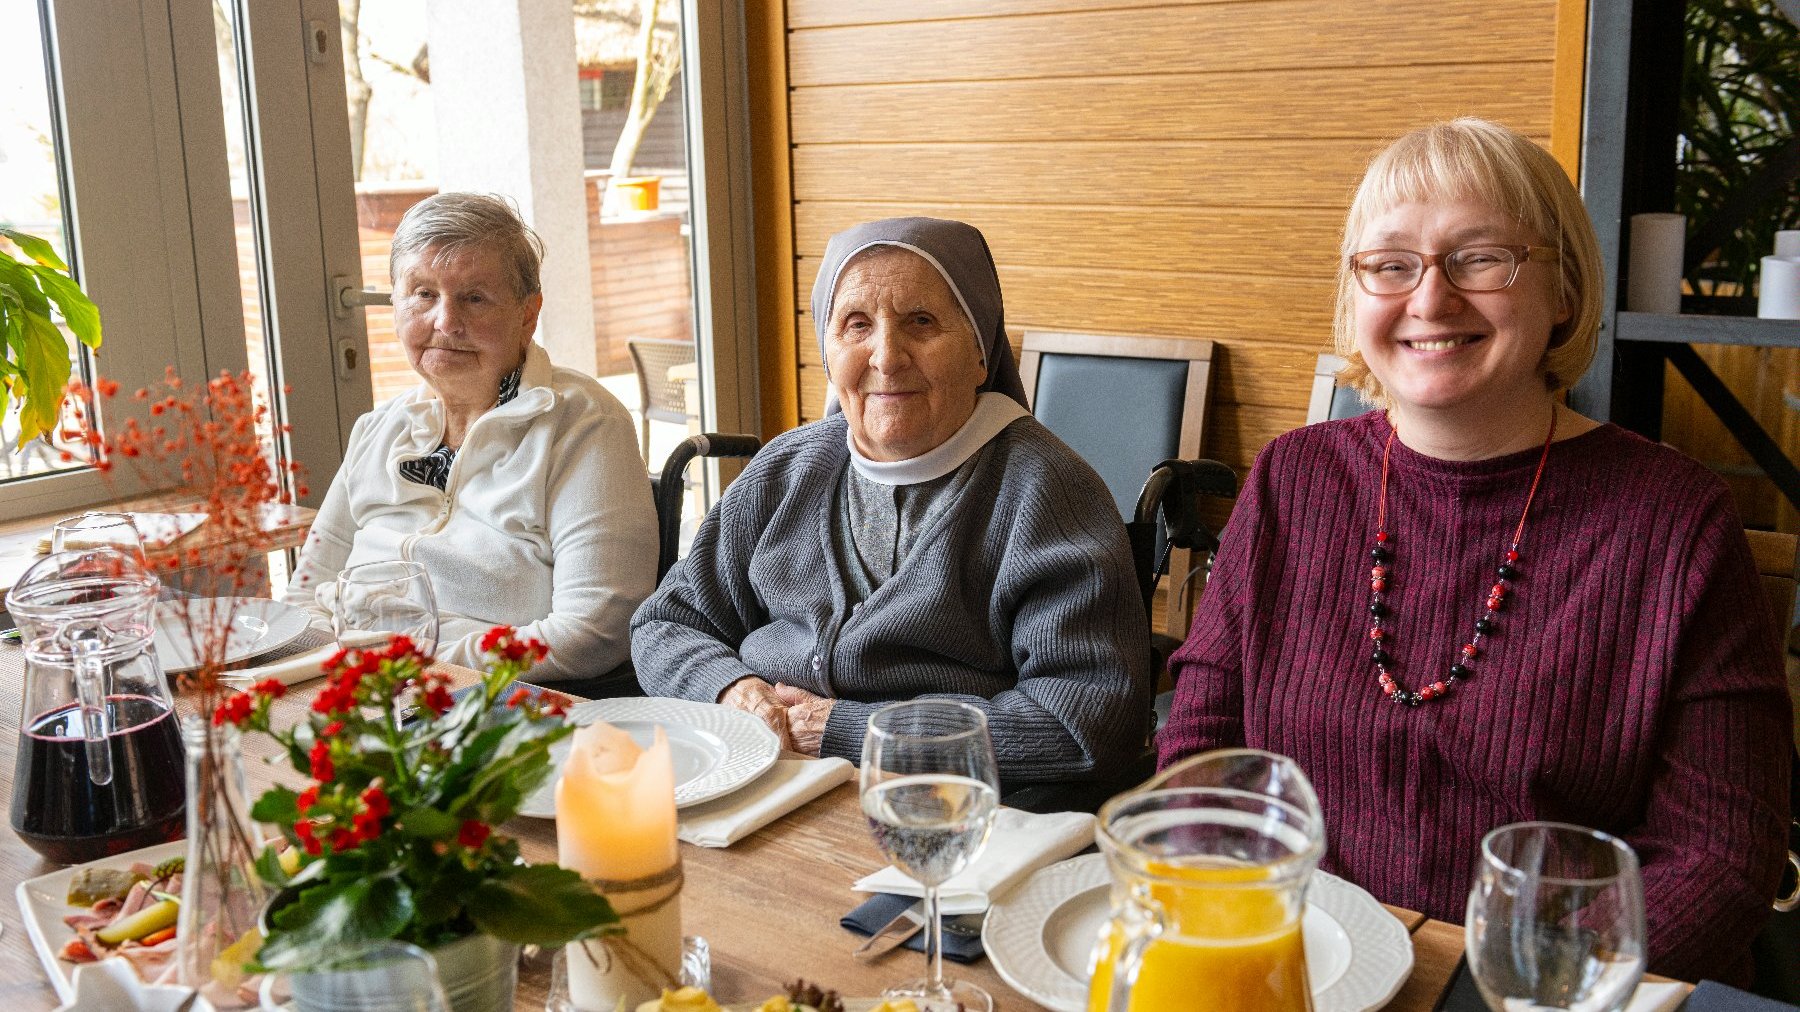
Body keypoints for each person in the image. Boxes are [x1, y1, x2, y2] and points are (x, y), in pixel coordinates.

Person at [1157, 119, 1790, 984]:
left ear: (1562, 289)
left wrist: (1522, 987)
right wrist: (1251, 941)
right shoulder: (1291, 479)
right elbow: (1202, 748)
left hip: (1551, 991)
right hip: (1305, 964)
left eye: (1480, 258)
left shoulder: (1676, 519)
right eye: (1392, 265)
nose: (1430, 299)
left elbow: (1720, 859)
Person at [632, 217, 1150, 785]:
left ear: (981, 350)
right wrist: (732, 689)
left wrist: (847, 731)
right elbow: (666, 623)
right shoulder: (783, 471)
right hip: (763, 780)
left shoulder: (1046, 493)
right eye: (856, 325)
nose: (886, 356)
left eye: (921, 323)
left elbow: (1086, 722)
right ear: (828, 354)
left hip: (952, 811)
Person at [285, 192, 656, 680]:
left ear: (527, 315)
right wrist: (340, 665)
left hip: (487, 702)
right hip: (354, 684)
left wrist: (420, 665)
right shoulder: (378, 429)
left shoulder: (582, 424)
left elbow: (595, 631)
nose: (445, 321)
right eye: (422, 294)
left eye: (474, 297)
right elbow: (304, 593)